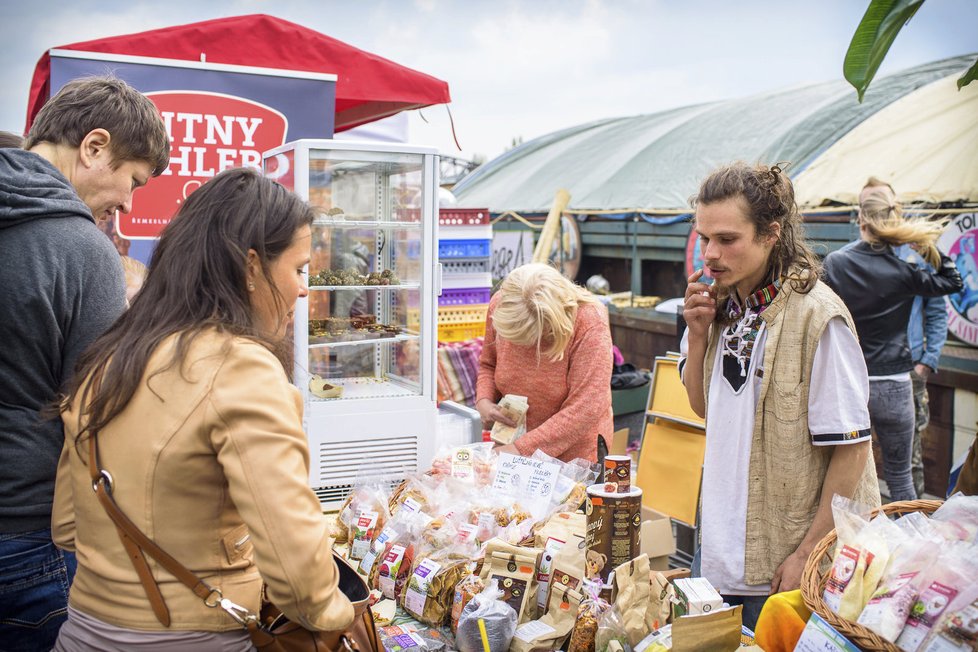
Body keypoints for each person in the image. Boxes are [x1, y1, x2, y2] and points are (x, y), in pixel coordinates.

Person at [52, 168, 355, 650]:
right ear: (252, 266)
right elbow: (300, 577)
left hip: (83, 631)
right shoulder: (240, 366)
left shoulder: (108, 356)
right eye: (298, 269)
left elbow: (68, 528)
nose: (303, 290)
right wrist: (337, 612)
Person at [0, 76, 169, 650]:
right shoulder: (81, 248)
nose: (127, 202)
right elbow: (97, 410)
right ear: (93, 147)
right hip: (23, 533)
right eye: (134, 181)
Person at [680, 162, 881, 630]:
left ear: (772, 234)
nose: (709, 254)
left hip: (781, 565)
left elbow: (852, 449)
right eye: (704, 238)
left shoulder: (819, 317)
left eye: (727, 239)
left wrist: (807, 554)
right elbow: (703, 409)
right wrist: (696, 337)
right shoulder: (724, 308)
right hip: (717, 552)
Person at [823, 179, 962, 503]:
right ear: (892, 219)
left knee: (842, 477)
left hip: (851, 384)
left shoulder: (836, 264)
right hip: (896, 386)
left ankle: (847, 547)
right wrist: (921, 244)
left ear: (861, 219)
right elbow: (952, 280)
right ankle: (909, 551)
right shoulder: (903, 270)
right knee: (900, 479)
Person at [476, 262, 613, 462]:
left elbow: (585, 409)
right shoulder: (503, 305)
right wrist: (484, 402)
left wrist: (520, 449)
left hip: (575, 456)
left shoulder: (589, 321)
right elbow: (488, 364)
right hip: (513, 443)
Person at [895, 232, 951, 498]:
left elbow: (938, 314)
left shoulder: (919, 256)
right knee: (859, 450)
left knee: (910, 454)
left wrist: (927, 363)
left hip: (910, 370)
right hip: (868, 368)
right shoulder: (860, 254)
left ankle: (910, 524)